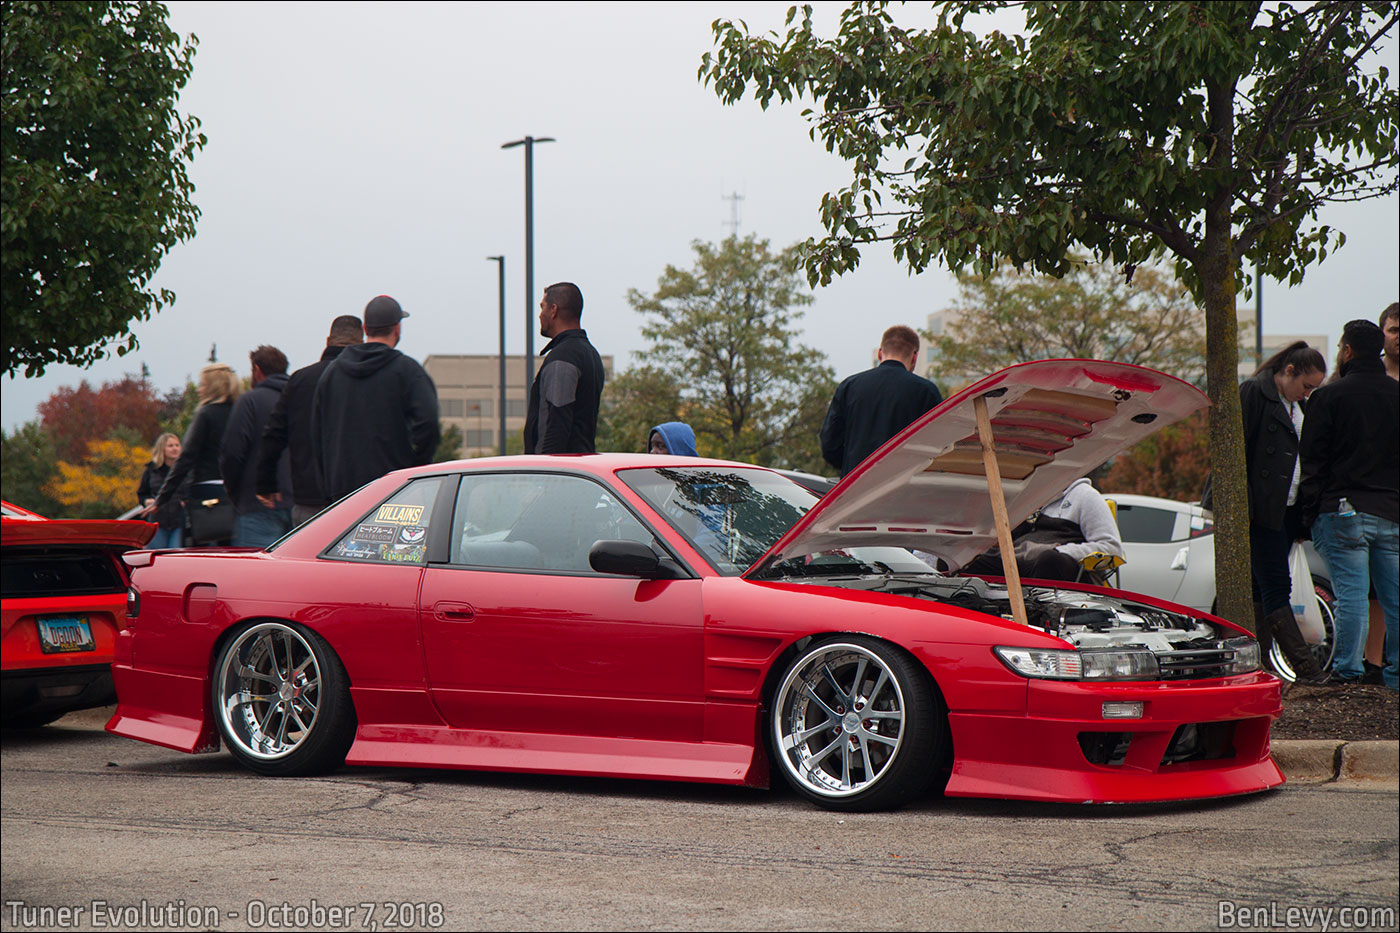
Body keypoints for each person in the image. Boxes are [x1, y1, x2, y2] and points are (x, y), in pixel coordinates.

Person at [1299, 319, 1399, 690]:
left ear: (1347, 351)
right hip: (1391, 510)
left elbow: (1313, 461)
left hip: (1344, 509)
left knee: (1352, 595)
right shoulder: (1396, 394)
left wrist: (1310, 514)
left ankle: (1347, 669)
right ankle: (1395, 674)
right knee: (1395, 597)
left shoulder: (1328, 397)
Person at [1239, 341, 1329, 684]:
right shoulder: (1254, 393)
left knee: (1262, 590)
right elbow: (1238, 451)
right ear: (1289, 371)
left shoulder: (1297, 406)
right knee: (1276, 587)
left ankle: (1257, 665)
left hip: (1285, 511)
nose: (1308, 393)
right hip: (1260, 510)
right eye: (1306, 385)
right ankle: (1308, 671)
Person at [312, 295, 440, 503]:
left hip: (344, 493)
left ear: (365, 329)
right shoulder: (407, 371)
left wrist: (328, 485)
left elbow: (318, 434)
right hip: (396, 490)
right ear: (397, 329)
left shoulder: (332, 373)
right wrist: (417, 467)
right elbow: (428, 422)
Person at [256, 315, 364, 526]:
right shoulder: (369, 380)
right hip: (361, 497)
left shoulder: (301, 380)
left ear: (327, 341)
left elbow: (274, 434)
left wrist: (265, 483)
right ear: (361, 343)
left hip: (310, 496)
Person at [820, 325, 943, 477]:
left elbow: (829, 445)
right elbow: (940, 447)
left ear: (880, 353)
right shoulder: (926, 392)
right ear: (914, 357)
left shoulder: (849, 387)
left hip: (854, 489)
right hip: (905, 489)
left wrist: (851, 465)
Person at [962, 477, 1123, 582]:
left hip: (1061, 569)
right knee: (968, 561)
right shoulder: (1029, 496)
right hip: (1021, 562)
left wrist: (1062, 551)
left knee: (1050, 560)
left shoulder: (1085, 496)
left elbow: (1111, 547)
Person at [157, 362, 241, 546]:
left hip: (205, 491)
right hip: (236, 492)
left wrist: (162, 497)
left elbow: (186, 458)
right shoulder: (240, 412)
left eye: (202, 385)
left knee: (200, 548)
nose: (199, 390)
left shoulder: (206, 414)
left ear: (212, 387)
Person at [220, 345, 294, 548]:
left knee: (255, 575)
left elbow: (232, 452)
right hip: (299, 503)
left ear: (258, 370)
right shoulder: (299, 399)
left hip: (257, 503)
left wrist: (235, 493)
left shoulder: (249, 402)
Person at [524, 282, 605, 454]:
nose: (540, 315)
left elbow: (557, 423)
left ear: (554, 310)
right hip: (581, 468)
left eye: (542, 307)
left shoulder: (563, 356)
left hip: (557, 473)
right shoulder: (591, 354)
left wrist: (545, 472)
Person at [137, 433, 185, 549]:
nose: (175, 448)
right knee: (157, 558)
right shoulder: (151, 470)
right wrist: (146, 501)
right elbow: (142, 493)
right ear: (162, 449)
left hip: (179, 523)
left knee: (175, 558)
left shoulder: (185, 470)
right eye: (170, 446)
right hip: (157, 523)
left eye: (177, 445)